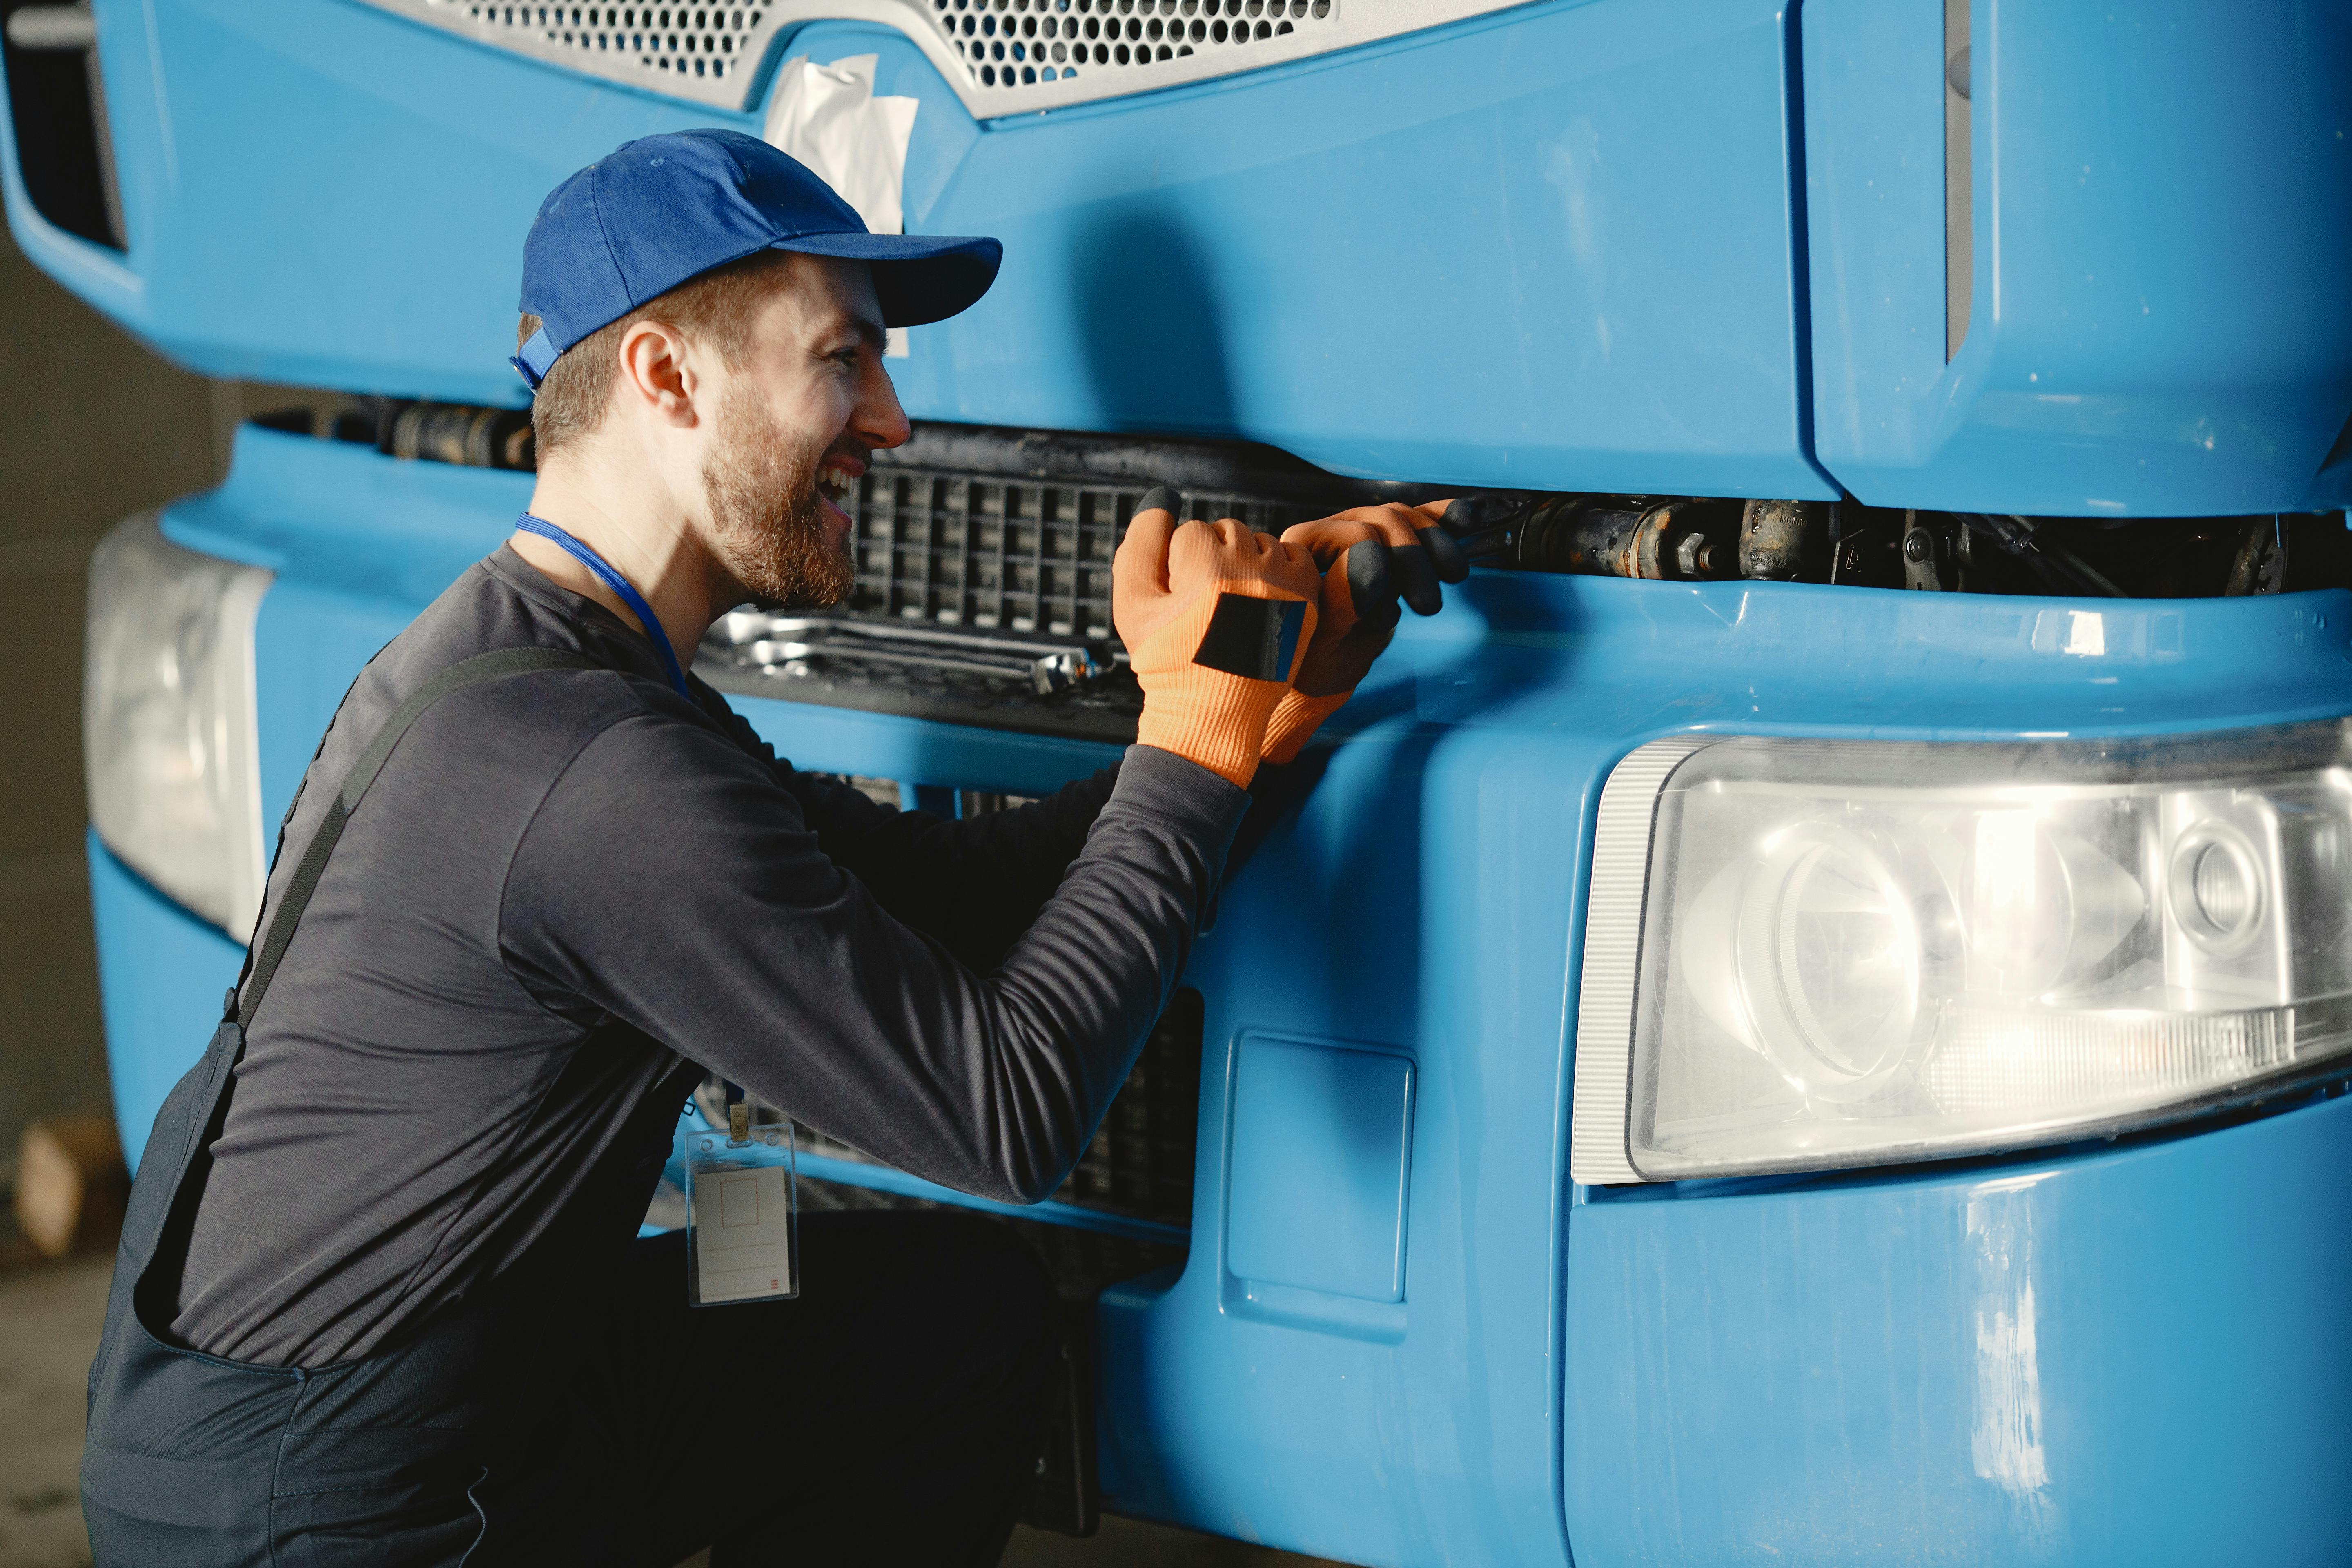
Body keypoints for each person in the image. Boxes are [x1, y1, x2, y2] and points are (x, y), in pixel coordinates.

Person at [79, 128, 1465, 1566]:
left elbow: (952, 899)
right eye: (841, 359)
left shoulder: (556, 668)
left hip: (369, 1419)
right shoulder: (589, 771)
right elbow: (1002, 1119)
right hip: (339, 1520)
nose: (892, 422)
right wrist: (1185, 746)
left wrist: (1252, 733)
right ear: (666, 376)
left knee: (949, 1313)